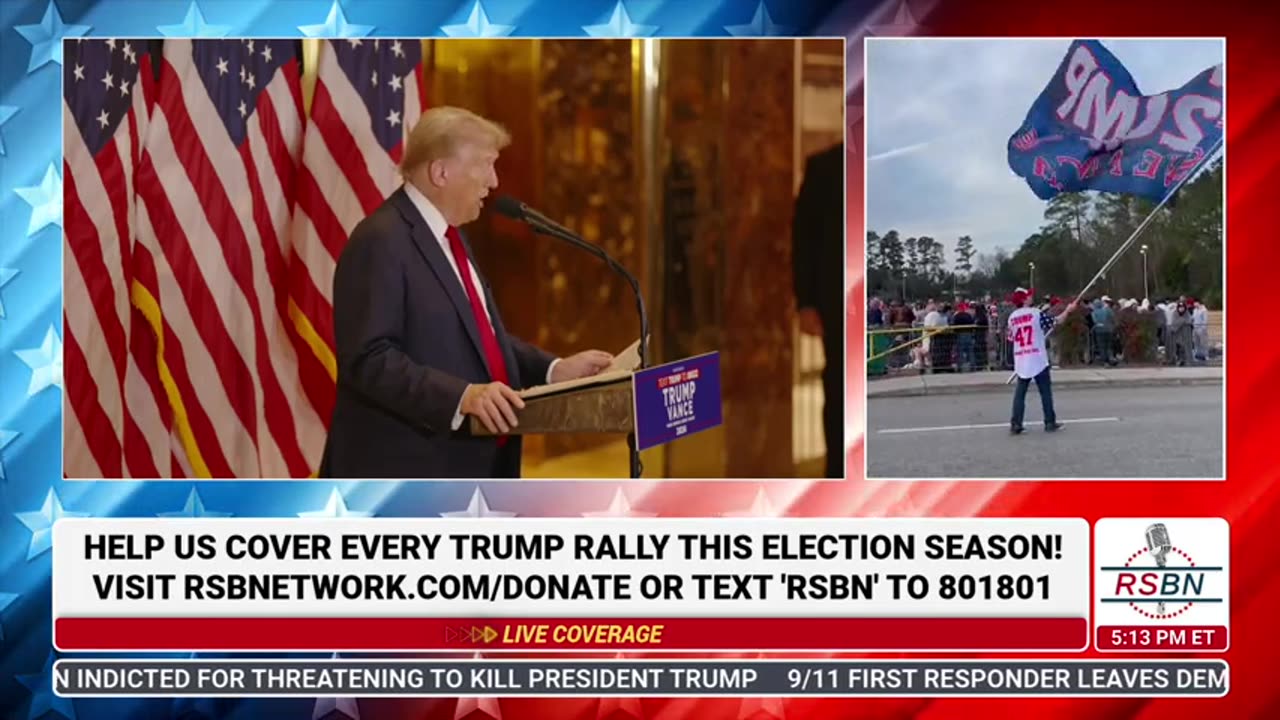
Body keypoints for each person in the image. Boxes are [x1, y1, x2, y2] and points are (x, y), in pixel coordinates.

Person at [321, 107, 614, 478]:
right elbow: (369, 359)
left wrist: (554, 370)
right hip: (408, 476)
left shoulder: (450, 235)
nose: (493, 182)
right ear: (441, 172)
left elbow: (477, 338)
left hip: (471, 464)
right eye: (486, 165)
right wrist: (463, 397)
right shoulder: (380, 240)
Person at [792, 143, 845, 478]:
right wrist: (805, 303)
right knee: (837, 387)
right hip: (833, 301)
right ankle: (836, 472)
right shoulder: (824, 166)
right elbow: (804, 240)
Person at [1007, 287, 1077, 434]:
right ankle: (1049, 422)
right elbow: (1056, 322)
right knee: (1045, 392)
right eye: (1028, 296)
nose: (1031, 297)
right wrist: (1068, 311)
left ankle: (1016, 423)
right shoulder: (1035, 314)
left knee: (1020, 393)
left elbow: (1011, 337)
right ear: (1024, 299)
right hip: (1037, 358)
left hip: (1022, 359)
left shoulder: (1012, 317)